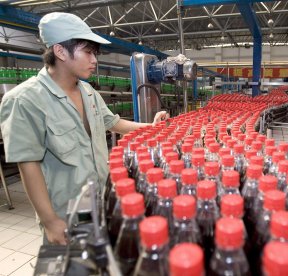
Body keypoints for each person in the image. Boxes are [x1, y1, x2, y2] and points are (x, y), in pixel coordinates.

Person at [0, 12, 167, 245]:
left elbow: (114, 123)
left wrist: (151, 127)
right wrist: (50, 221)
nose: (94, 60)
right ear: (60, 51)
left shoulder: (89, 93)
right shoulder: (25, 100)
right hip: (66, 213)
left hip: (100, 202)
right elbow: (28, 164)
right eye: (87, 52)